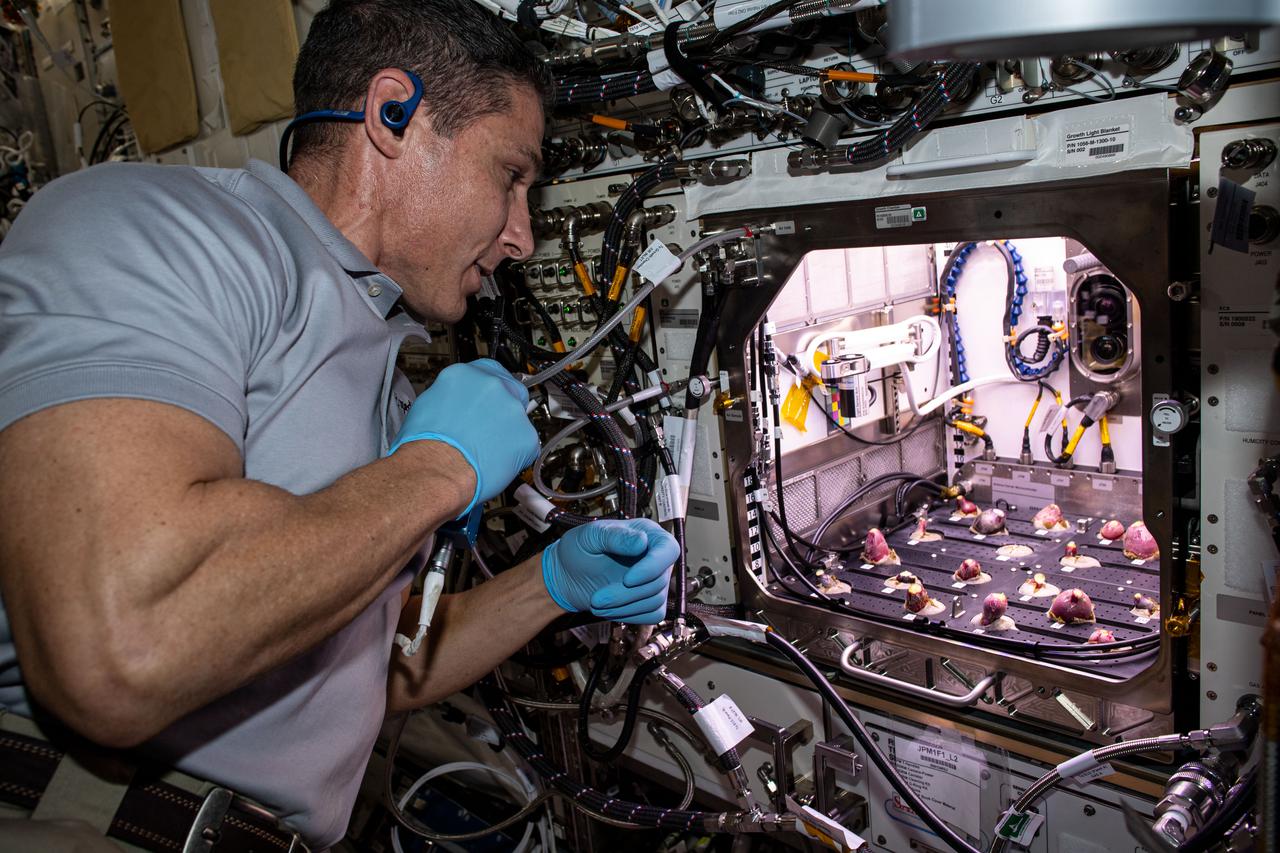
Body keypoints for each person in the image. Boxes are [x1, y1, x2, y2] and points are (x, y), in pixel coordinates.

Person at [0, 0, 679, 849]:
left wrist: (547, 586)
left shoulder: (386, 365)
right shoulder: (148, 228)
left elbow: (356, 663)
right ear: (393, 114)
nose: (521, 235)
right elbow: (124, 650)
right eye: (512, 176)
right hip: (100, 821)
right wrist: (436, 470)